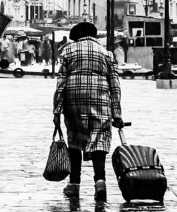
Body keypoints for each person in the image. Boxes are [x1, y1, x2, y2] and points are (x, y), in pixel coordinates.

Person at [53, 21, 124, 201]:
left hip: (74, 99)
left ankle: (74, 184)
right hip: (100, 99)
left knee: (75, 140)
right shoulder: (106, 54)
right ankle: (100, 182)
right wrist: (117, 114)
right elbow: (115, 86)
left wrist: (57, 110)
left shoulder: (68, 51)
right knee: (100, 140)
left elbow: (61, 83)